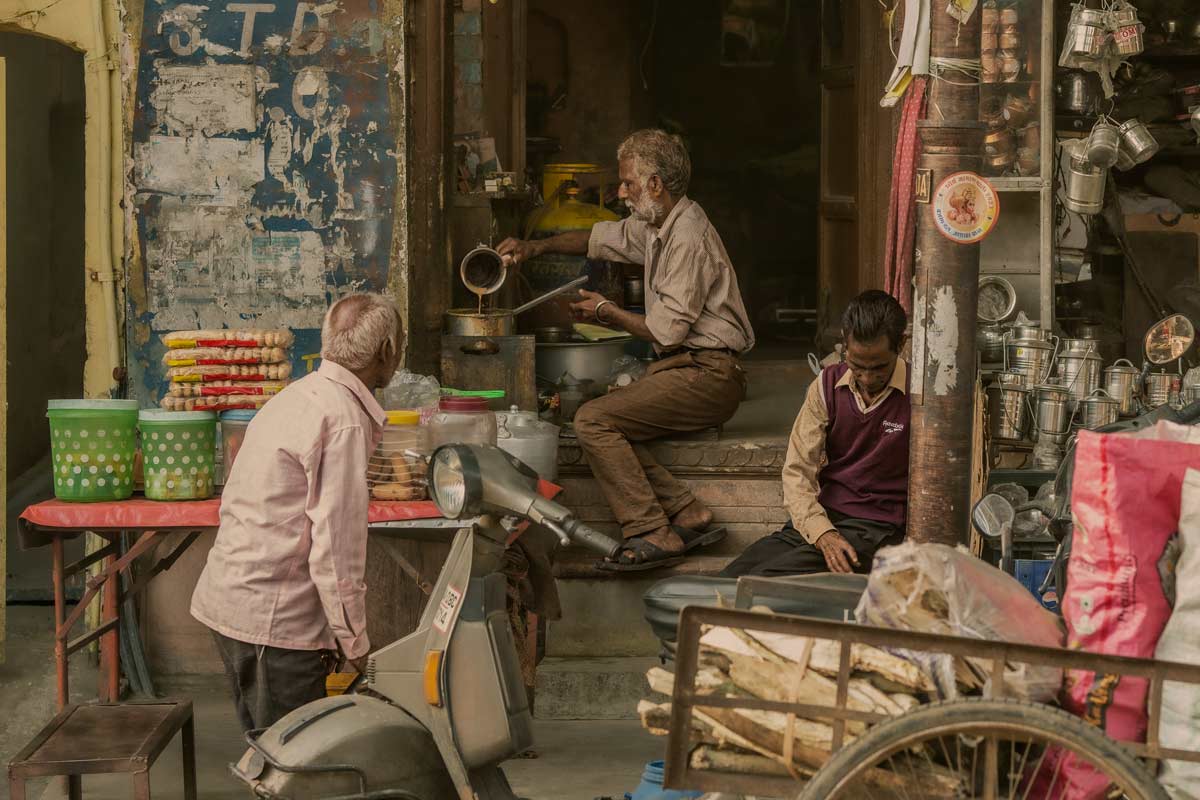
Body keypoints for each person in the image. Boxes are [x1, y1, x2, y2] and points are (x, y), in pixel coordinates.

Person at [498, 129, 755, 571]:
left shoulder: (688, 236)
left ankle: (651, 530)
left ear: (656, 185)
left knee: (592, 421)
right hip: (685, 370)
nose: (621, 192)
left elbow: (666, 333)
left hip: (709, 375)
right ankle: (686, 511)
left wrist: (605, 312)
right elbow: (599, 238)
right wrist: (535, 245)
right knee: (605, 415)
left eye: (629, 184)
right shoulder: (657, 226)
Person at [190, 293, 404, 732]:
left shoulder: (299, 396)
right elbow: (336, 549)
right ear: (386, 352)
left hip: (232, 602)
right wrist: (355, 640)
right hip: (273, 620)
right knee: (299, 762)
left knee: (271, 753)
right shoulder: (342, 418)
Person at [722, 290, 910, 577]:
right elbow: (797, 470)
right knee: (730, 578)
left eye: (880, 368)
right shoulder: (826, 385)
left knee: (763, 581)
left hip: (876, 528)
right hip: (825, 517)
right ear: (844, 344)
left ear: (901, 345)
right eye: (857, 366)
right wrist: (822, 533)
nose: (868, 379)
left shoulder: (920, 395)